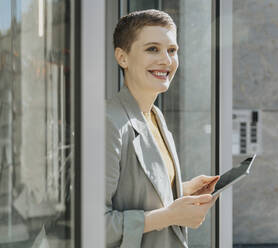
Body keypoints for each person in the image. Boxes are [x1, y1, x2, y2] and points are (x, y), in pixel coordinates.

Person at [106, 9, 220, 248]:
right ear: (122, 57)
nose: (166, 61)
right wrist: (170, 216)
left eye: (172, 50)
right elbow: (91, 224)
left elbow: (136, 193)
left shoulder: (155, 116)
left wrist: (181, 190)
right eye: (152, 49)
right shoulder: (107, 122)